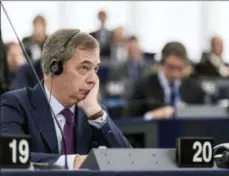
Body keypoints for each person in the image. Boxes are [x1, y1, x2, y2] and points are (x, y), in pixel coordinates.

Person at [0, 29, 131, 169]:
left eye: (96, 69)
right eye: (84, 68)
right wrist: (73, 162)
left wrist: (95, 113)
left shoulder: (92, 112)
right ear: (55, 68)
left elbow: (128, 161)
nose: (93, 79)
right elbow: (9, 156)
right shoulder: (16, 104)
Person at [126, 42, 205, 119]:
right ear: (162, 64)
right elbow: (129, 119)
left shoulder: (196, 91)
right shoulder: (142, 87)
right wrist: (150, 116)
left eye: (180, 68)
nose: (175, 74)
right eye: (171, 67)